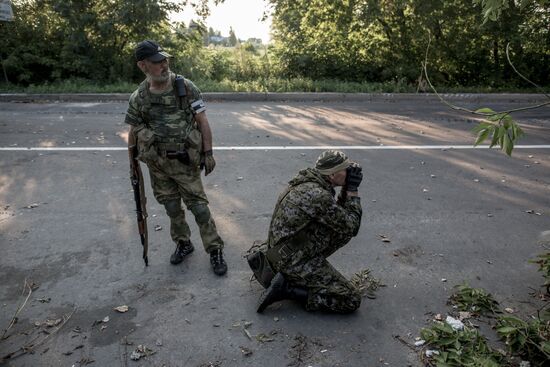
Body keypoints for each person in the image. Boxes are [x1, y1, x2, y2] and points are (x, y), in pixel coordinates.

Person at [125, 40, 227, 275]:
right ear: (143, 66)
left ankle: (215, 249)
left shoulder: (186, 87)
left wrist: (208, 153)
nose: (164, 64)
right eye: (157, 62)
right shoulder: (138, 97)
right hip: (158, 165)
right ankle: (183, 243)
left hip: (184, 161)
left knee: (199, 208)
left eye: (165, 60)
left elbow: (202, 121)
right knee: (171, 207)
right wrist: (132, 164)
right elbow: (133, 132)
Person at [249, 150, 364, 313]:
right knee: (350, 299)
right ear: (332, 175)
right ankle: (288, 289)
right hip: (290, 261)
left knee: (339, 231)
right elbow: (351, 226)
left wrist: (345, 189)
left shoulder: (307, 182)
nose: (349, 172)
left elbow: (338, 217)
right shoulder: (318, 196)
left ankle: (295, 276)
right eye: (345, 169)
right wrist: (352, 190)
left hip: (281, 253)